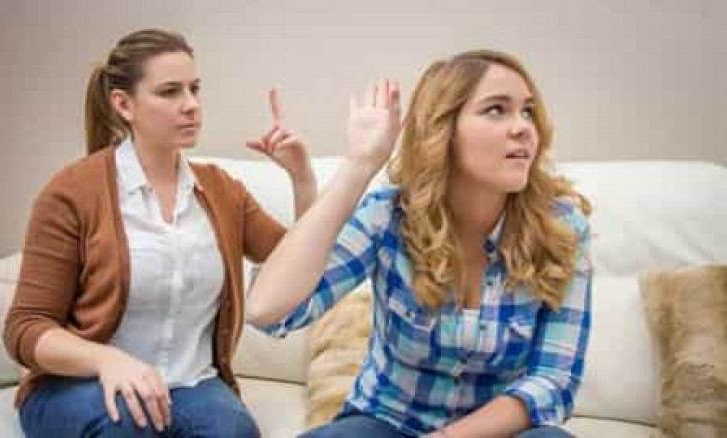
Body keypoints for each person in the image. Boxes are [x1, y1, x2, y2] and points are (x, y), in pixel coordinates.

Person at [247, 50, 593, 438]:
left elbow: (553, 381)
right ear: (444, 130)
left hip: (497, 433)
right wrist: (359, 165)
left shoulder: (561, 226)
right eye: (496, 110)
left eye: (527, 111)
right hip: (386, 422)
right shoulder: (389, 215)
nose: (523, 128)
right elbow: (269, 312)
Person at [3, 28, 315, 437]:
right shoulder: (71, 193)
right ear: (123, 104)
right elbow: (26, 327)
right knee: (129, 426)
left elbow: (296, 268)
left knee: (236, 433)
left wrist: (302, 178)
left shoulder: (222, 191)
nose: (191, 105)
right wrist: (108, 361)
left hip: (191, 384)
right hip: (80, 384)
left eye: (194, 89)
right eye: (170, 92)